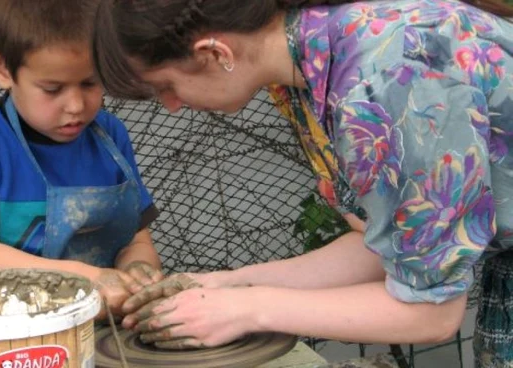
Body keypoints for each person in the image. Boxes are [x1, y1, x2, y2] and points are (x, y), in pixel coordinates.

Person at [91, 0, 513, 365]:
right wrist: (223, 284)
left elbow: (432, 314)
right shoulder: (309, 62)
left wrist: (247, 309)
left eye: (166, 86)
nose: (172, 106)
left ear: (216, 52)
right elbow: (380, 247)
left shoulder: (383, 78)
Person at [0, 0, 163, 317]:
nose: (75, 105)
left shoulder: (110, 135)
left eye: (90, 83)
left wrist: (138, 271)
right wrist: (87, 279)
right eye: (52, 88)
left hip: (101, 331)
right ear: (2, 69)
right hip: (5, 338)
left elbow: (136, 242)